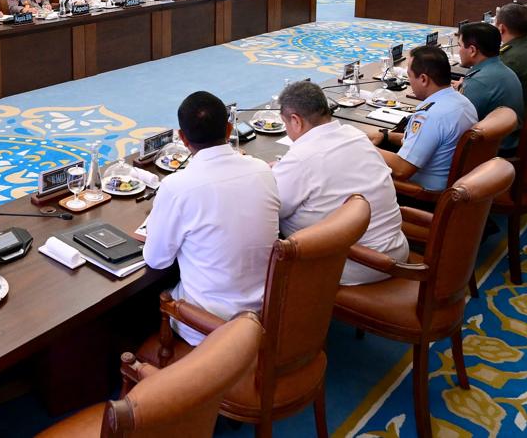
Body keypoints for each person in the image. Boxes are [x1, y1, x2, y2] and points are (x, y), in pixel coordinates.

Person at [142, 91, 280, 346]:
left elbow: (157, 260)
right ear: (229, 130)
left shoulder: (177, 186)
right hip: (265, 312)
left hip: (209, 327)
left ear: (182, 138)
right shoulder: (262, 170)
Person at [271, 81, 409, 285]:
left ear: (295, 120)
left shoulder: (301, 158)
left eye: (285, 124)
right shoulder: (356, 135)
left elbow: (273, 210)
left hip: (356, 263)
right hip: (395, 250)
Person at [370, 45, 476, 192]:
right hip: (452, 186)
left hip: (423, 194)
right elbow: (430, 141)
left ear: (424, 79)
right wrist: (387, 135)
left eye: (410, 76)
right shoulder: (464, 103)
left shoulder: (430, 116)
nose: (410, 82)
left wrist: (362, 146)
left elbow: (402, 169)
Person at [455, 22, 524, 152]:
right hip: (509, 141)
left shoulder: (479, 82)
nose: (459, 50)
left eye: (460, 45)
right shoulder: (503, 70)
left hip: (491, 150)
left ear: (472, 50)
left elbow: (456, 124)